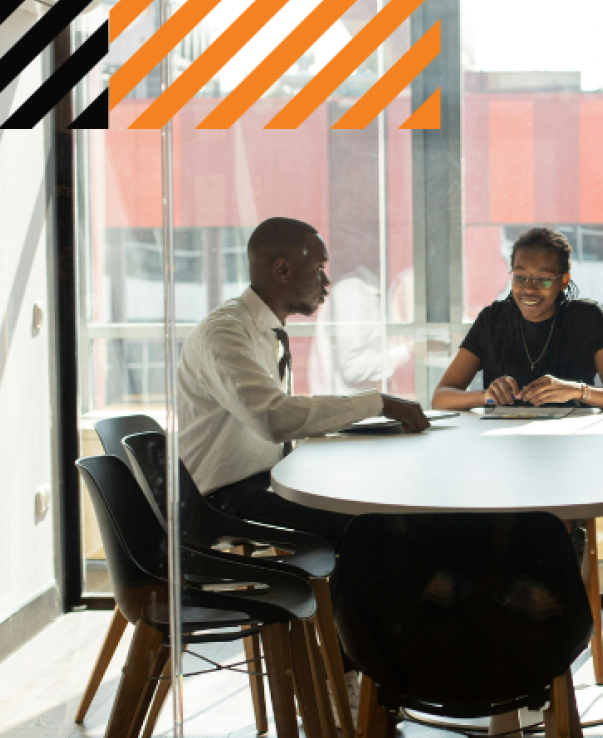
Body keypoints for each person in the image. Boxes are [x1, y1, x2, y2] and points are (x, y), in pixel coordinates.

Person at [177, 217, 430, 542]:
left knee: (373, 502)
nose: (326, 281)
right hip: (222, 501)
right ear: (282, 270)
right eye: (318, 268)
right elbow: (274, 417)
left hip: (265, 480)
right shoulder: (225, 333)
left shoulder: (265, 331)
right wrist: (377, 403)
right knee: (366, 524)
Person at [431, 227, 603, 410]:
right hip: (501, 440)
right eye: (520, 277)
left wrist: (578, 391)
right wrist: (485, 396)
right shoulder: (492, 319)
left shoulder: (586, 317)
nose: (529, 288)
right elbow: (441, 398)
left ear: (564, 280)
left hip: (570, 440)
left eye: (543, 279)